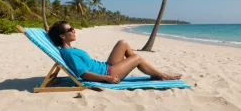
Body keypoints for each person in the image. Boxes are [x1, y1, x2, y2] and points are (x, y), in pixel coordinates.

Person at [48, 21, 182, 84]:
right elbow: (83, 74)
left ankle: (152, 73)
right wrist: (107, 78)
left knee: (122, 43)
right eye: (70, 29)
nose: (74, 30)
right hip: (108, 73)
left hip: (106, 66)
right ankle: (161, 75)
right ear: (62, 36)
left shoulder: (70, 49)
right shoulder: (69, 53)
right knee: (137, 58)